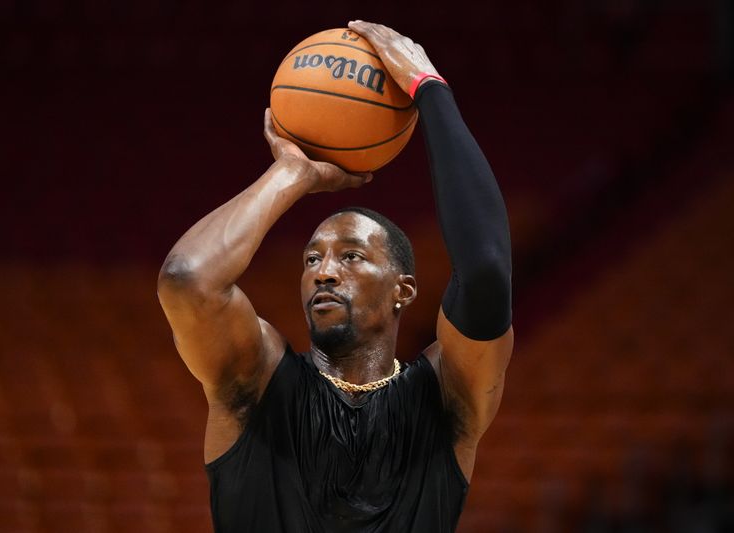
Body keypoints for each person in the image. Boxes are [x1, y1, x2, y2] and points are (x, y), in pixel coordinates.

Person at [157, 20, 513, 533]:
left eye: (350, 257)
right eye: (311, 259)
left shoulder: (446, 398)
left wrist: (429, 90)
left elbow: (486, 270)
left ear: (403, 289)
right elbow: (187, 280)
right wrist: (292, 173)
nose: (323, 271)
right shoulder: (256, 383)